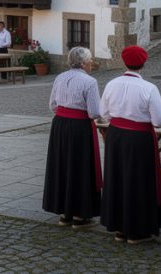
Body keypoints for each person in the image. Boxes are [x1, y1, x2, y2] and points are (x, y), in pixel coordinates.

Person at [100, 45, 161, 245]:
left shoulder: (112, 84)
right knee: (139, 181)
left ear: (124, 62)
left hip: (116, 136)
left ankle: (119, 227)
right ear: (143, 64)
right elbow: (159, 121)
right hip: (139, 137)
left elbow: (104, 114)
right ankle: (137, 230)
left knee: (117, 178)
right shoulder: (149, 88)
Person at [43, 47, 102, 229]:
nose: (91, 64)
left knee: (62, 165)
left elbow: (52, 104)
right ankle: (79, 215)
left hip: (60, 125)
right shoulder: (90, 82)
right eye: (90, 61)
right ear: (84, 63)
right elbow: (94, 112)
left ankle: (64, 213)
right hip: (79, 127)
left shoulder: (60, 77)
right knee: (80, 167)